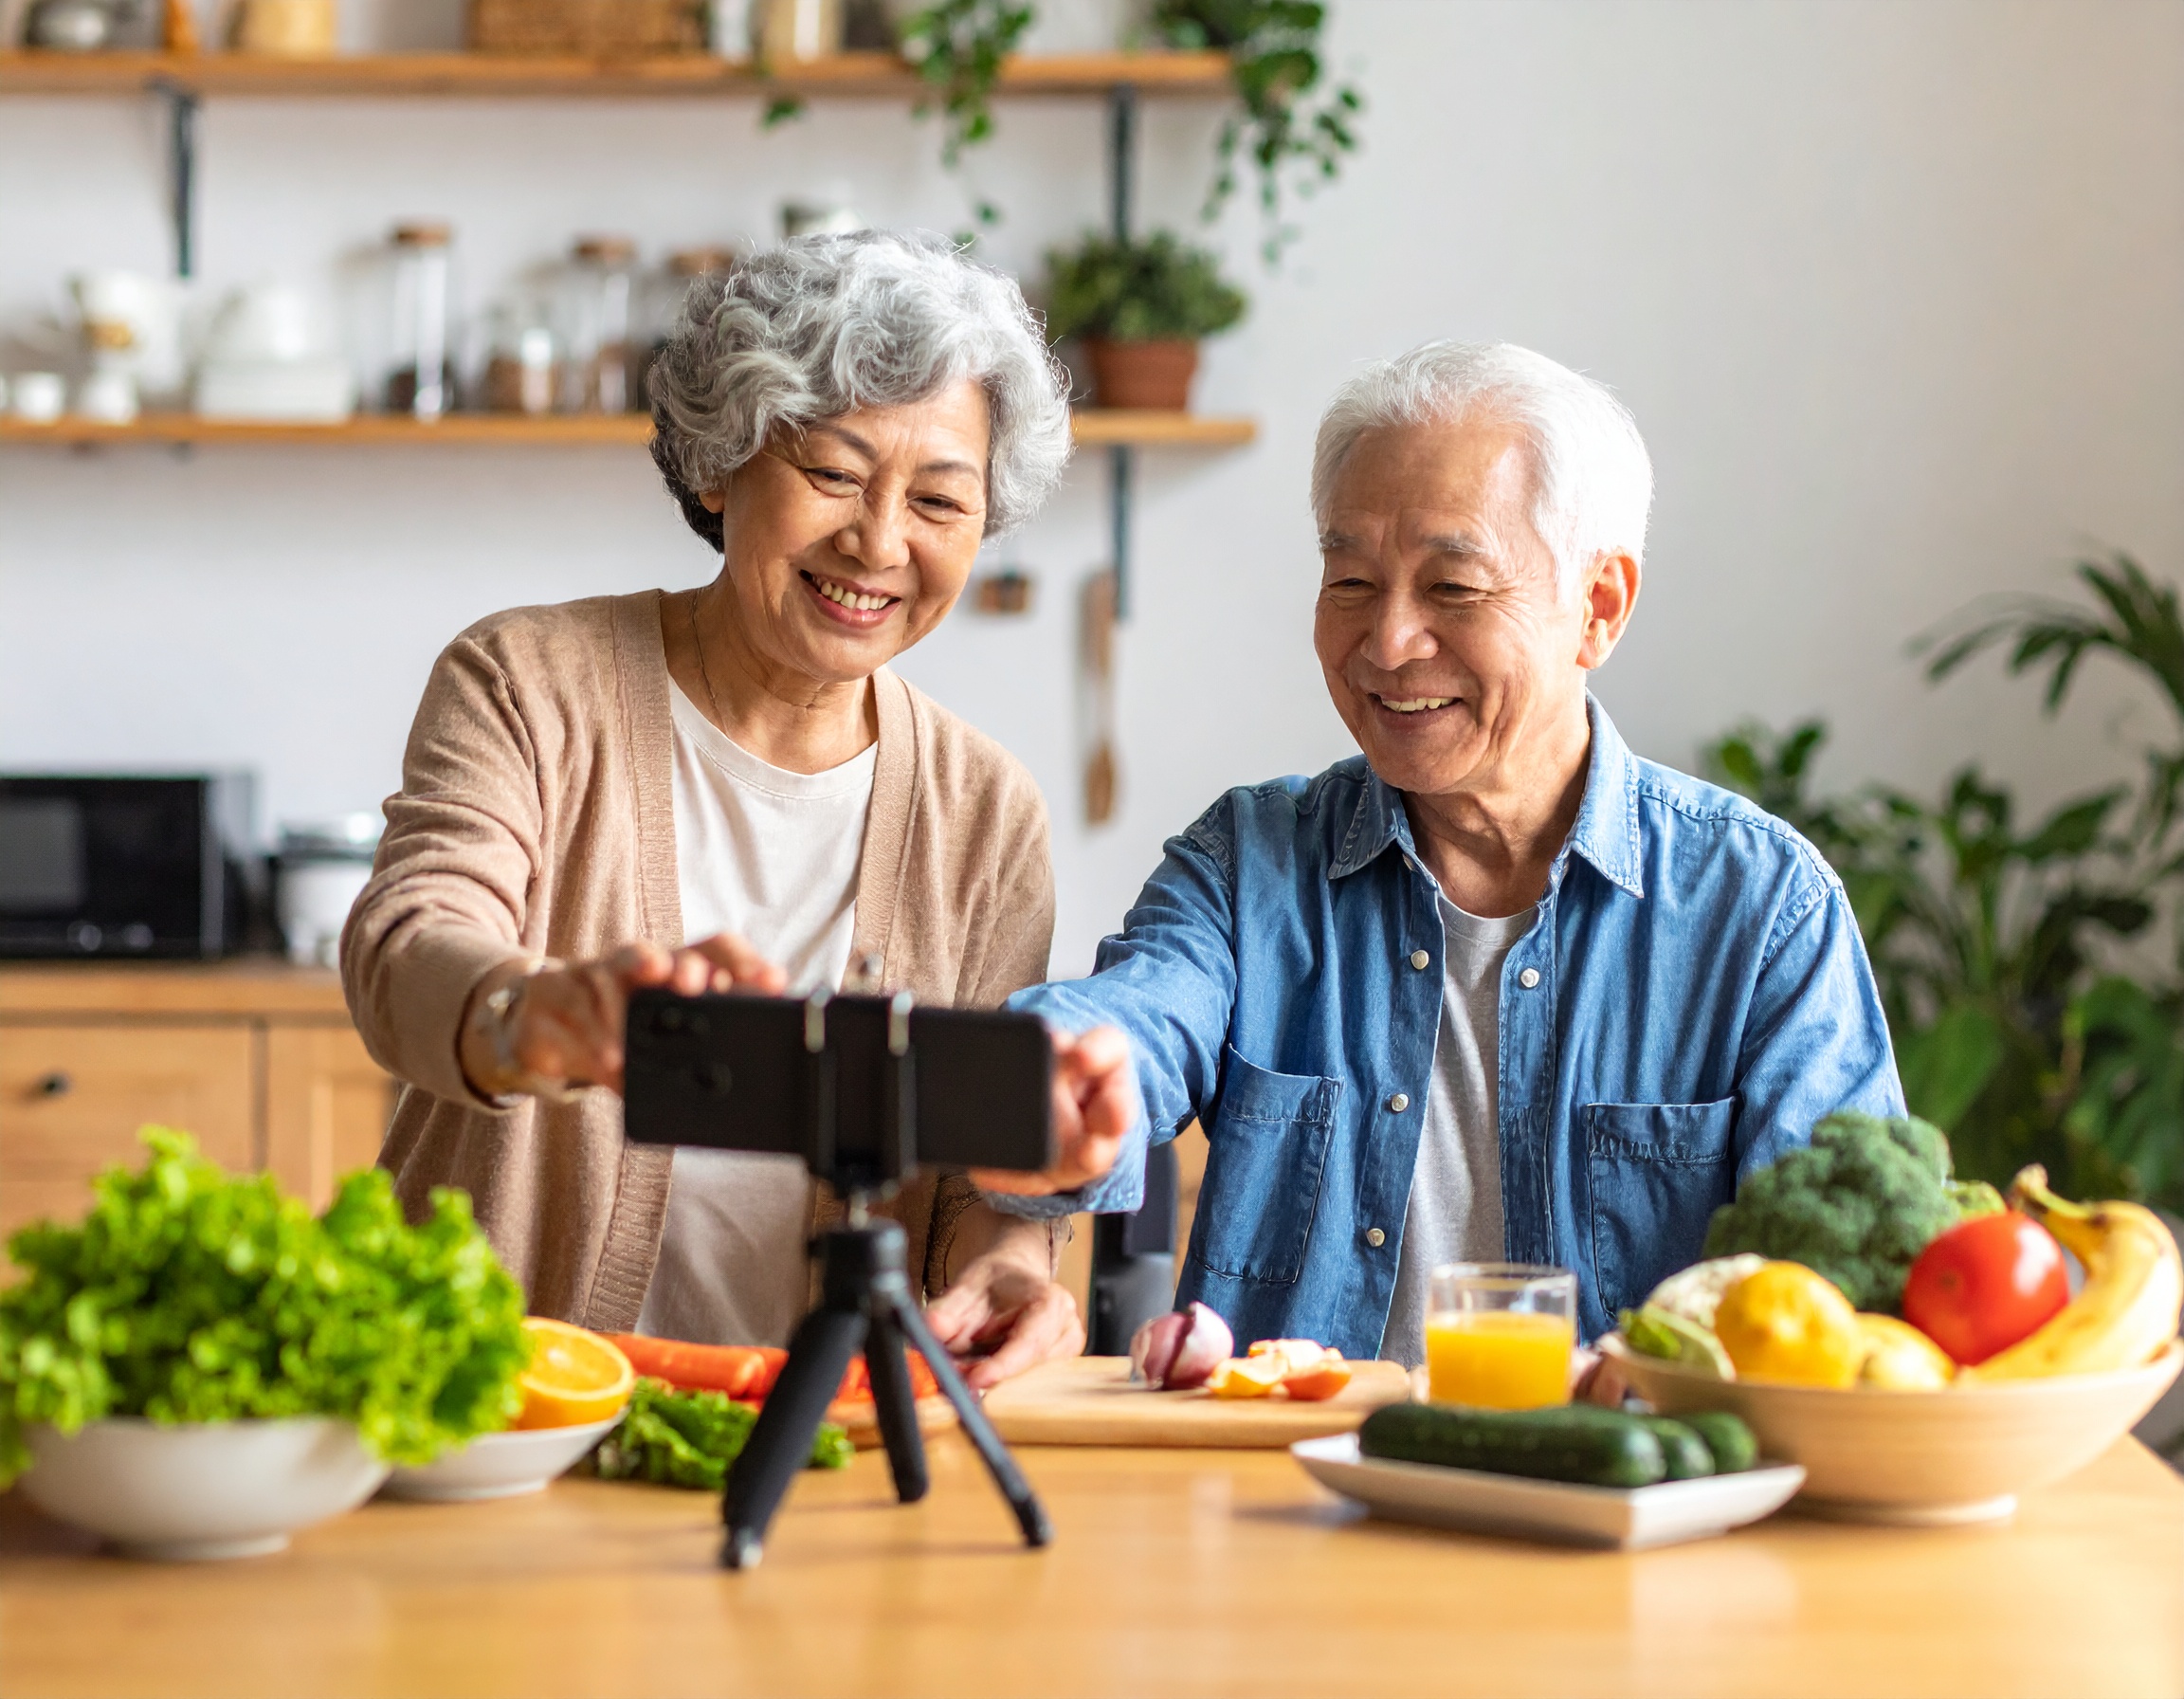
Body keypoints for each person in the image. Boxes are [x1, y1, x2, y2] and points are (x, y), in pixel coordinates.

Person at [1004, 340, 1902, 1363]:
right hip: (1288, 1497)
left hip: (1624, 1503)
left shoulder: (1760, 905)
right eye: (1350, 579)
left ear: (1598, 607)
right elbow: (1135, 1019)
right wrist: (1061, 1072)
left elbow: (1844, 1283)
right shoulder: (1248, 864)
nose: (1387, 641)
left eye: (1454, 588)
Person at [343, 231, 1132, 1389]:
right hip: (503, 1412)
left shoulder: (985, 809)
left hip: (829, 1436)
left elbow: (973, 1163)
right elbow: (403, 946)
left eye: (938, 500)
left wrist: (1013, 1260)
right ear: (721, 464)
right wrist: (540, 1012)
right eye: (833, 474)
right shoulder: (528, 681)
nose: (880, 540)